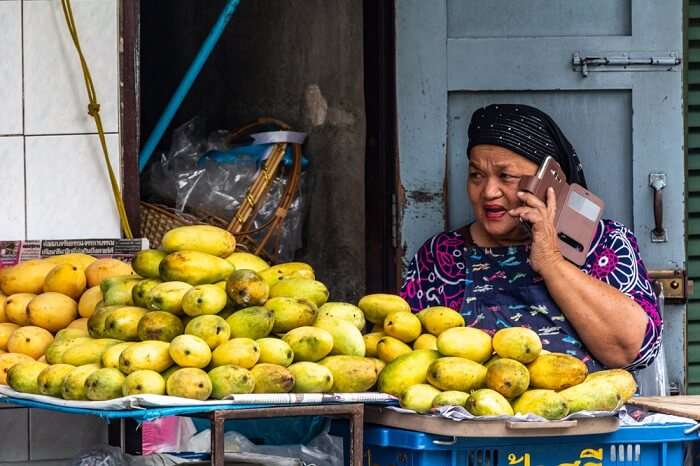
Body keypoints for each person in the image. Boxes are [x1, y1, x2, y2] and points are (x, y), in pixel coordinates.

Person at [400, 104, 661, 371]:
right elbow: (409, 357)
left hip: (589, 412)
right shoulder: (442, 255)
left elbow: (634, 352)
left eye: (507, 176)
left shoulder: (605, 244)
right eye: (476, 175)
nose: (489, 191)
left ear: (551, 182)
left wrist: (551, 262)